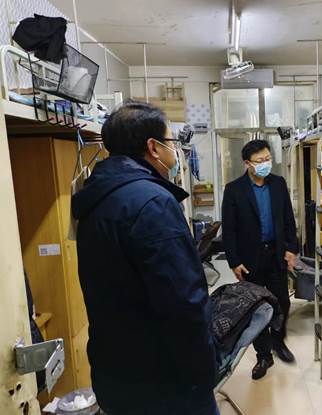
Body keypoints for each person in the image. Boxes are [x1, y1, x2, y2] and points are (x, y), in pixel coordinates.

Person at [72, 101, 219, 415]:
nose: (175, 151)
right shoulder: (152, 203)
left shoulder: (96, 198)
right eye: (171, 142)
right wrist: (206, 371)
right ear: (153, 147)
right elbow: (184, 304)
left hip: (115, 372)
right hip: (164, 383)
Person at [222, 139, 298, 380]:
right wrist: (234, 261)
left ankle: (278, 342)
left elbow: (288, 218)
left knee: (282, 301)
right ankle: (263, 355)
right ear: (247, 163)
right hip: (249, 258)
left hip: (276, 254)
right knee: (256, 307)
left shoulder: (278, 183)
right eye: (260, 160)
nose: (266, 163)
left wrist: (292, 248)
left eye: (268, 158)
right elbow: (229, 229)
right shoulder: (234, 189)